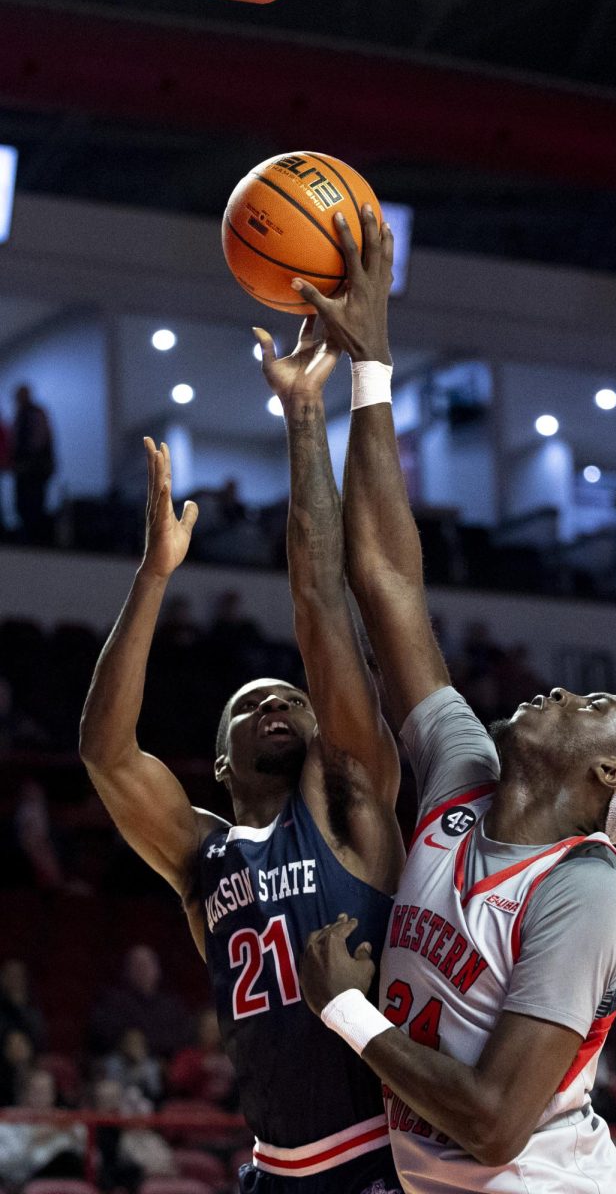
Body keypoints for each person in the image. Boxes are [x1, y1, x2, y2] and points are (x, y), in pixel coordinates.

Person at [294, 204, 616, 1192]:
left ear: (604, 775)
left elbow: (495, 1126)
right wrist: (370, 365)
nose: (558, 690)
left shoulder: (580, 893)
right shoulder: (465, 776)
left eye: (591, 701)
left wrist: (347, 1009)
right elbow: (386, 583)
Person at [80, 359, 405, 1193]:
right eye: (251, 703)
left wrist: (303, 414)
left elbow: (320, 601)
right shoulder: (204, 858)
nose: (278, 705)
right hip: (271, 1168)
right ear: (220, 761)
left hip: (376, 1155)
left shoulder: (351, 803)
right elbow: (107, 754)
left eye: (293, 698)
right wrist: (154, 574)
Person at [11, 383, 55, 543]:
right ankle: (28, 535)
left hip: (34, 469)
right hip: (27, 468)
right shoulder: (22, 414)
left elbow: (39, 440)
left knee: (33, 503)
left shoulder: (34, 414)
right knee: (23, 504)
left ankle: (35, 538)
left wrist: (26, 461)